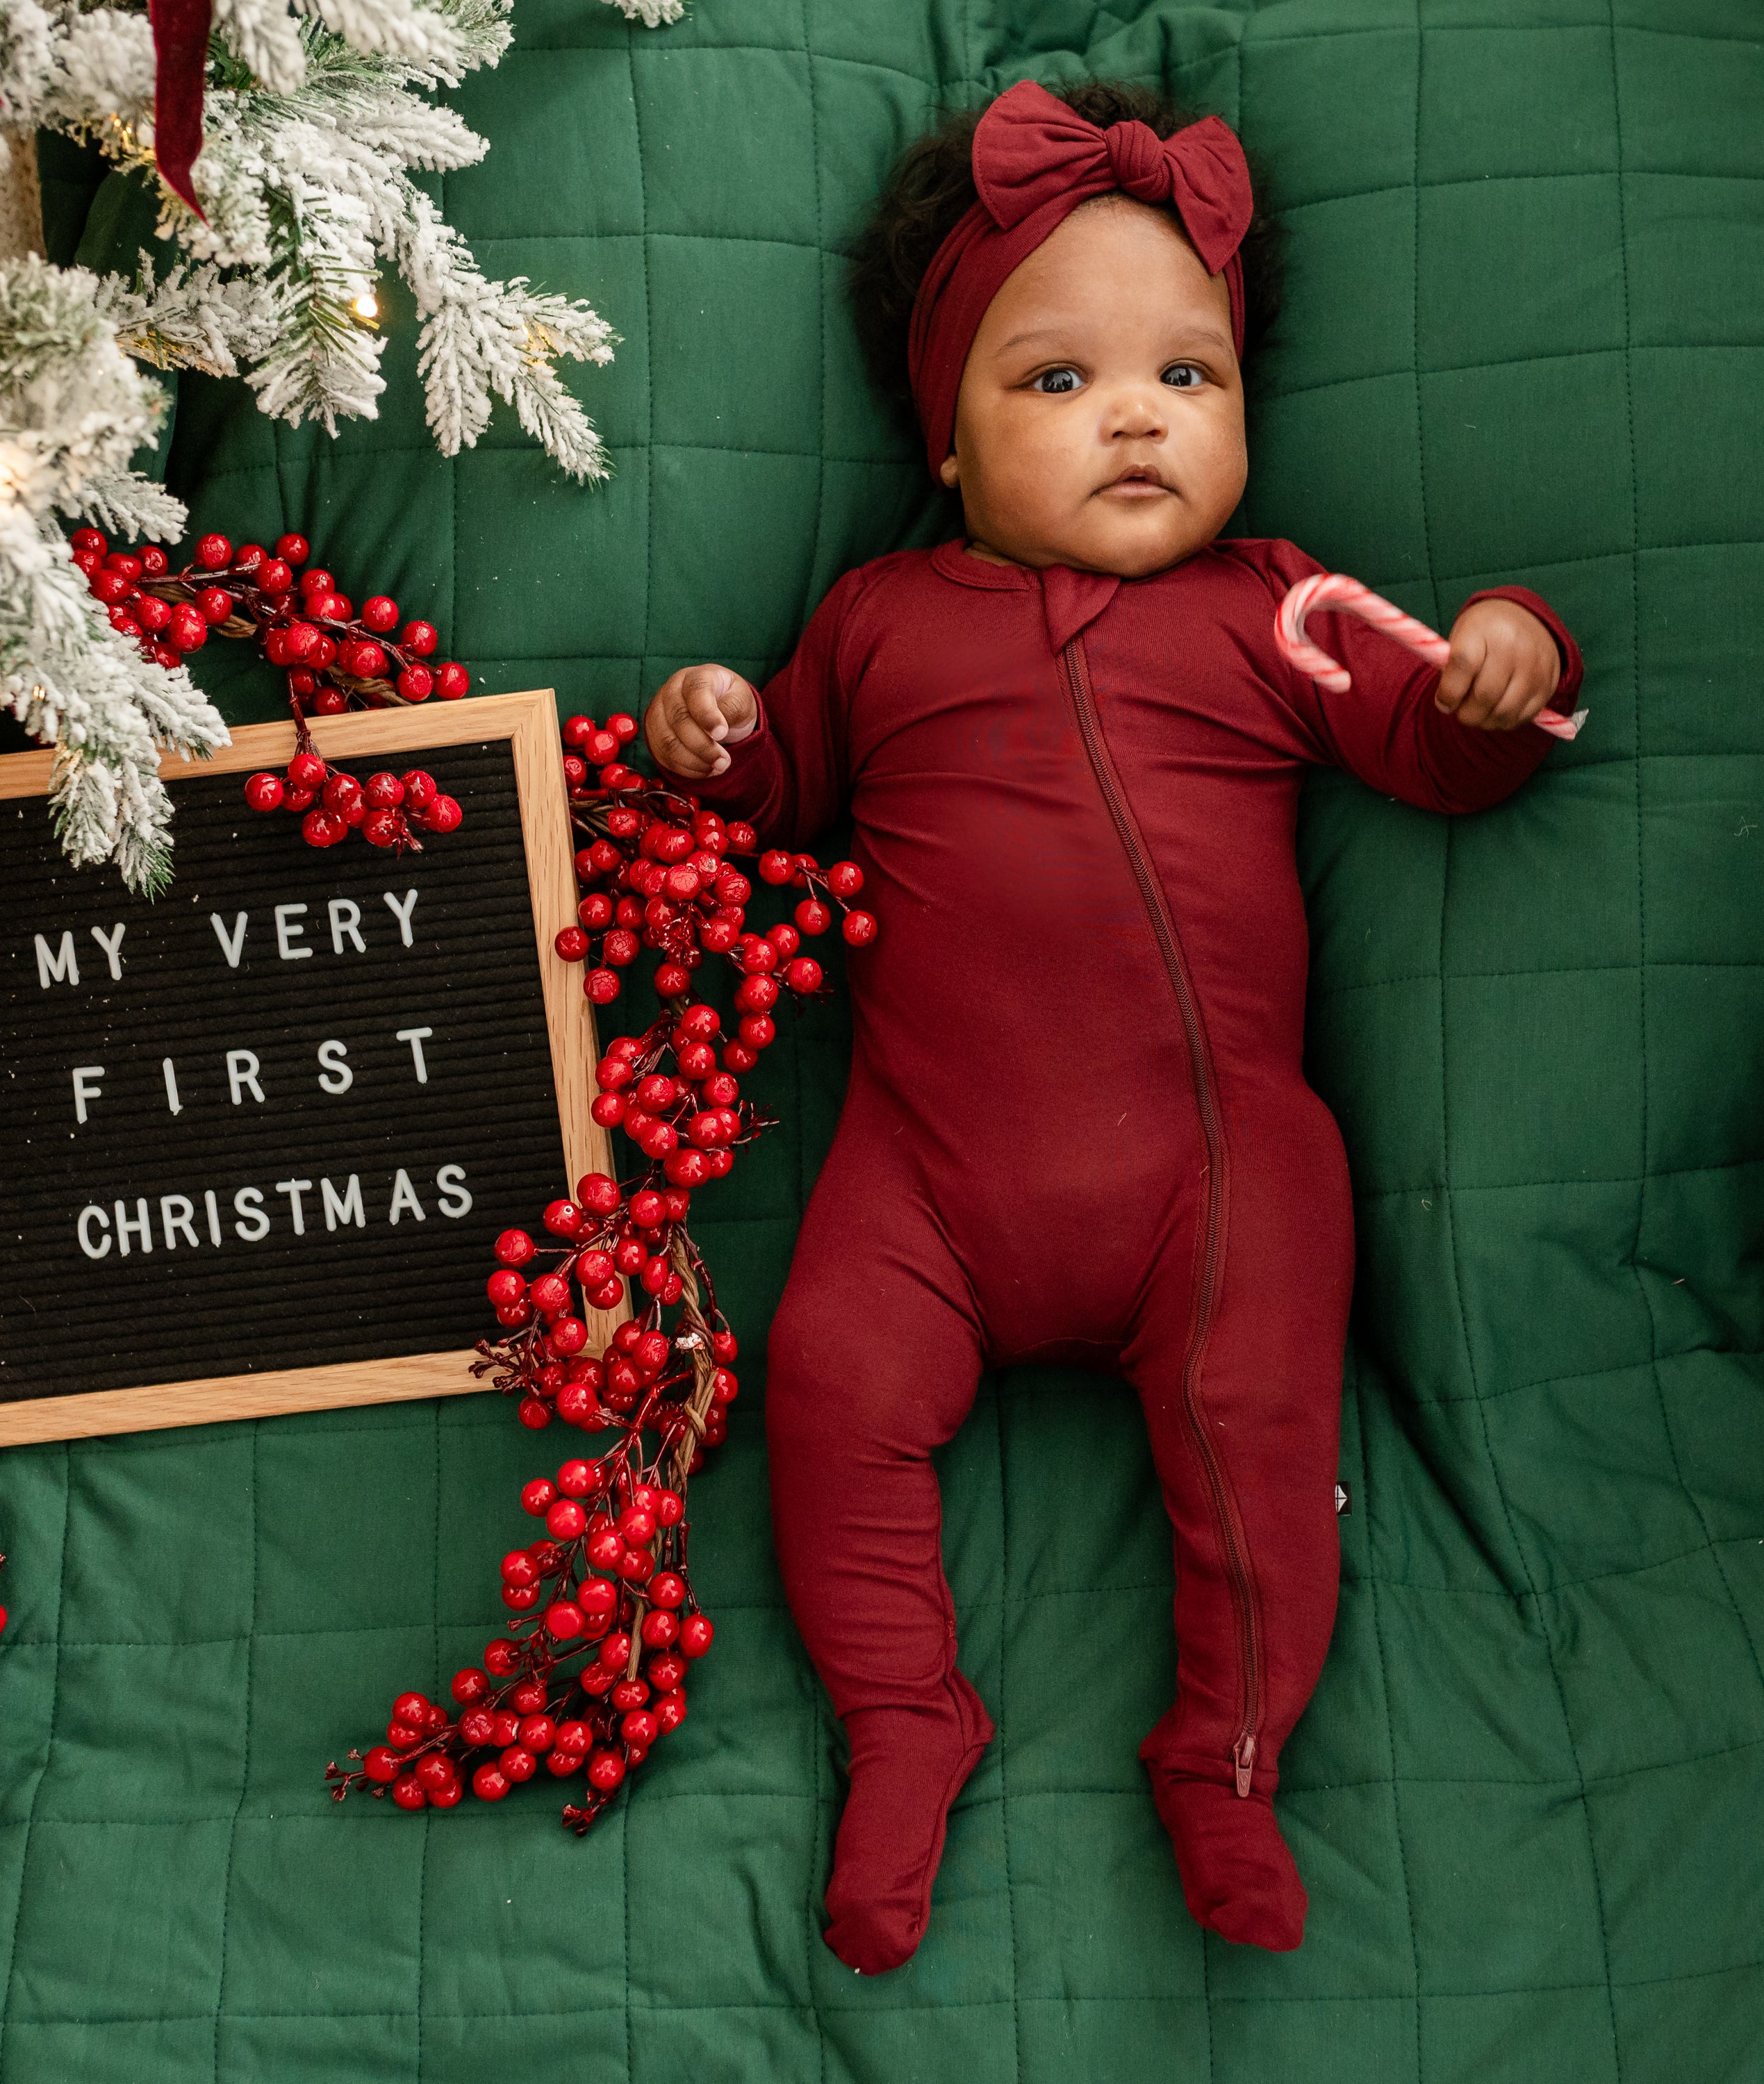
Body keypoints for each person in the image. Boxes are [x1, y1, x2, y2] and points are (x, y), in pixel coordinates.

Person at [640, 79, 1583, 1971]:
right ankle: (908, 1716)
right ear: (951, 440)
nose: (1139, 413)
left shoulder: (1275, 607)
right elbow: (778, 787)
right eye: (1055, 381)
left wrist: (1509, 658)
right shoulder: (883, 618)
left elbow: (1446, 750)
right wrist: (713, 730)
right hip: (930, 1173)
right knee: (827, 1390)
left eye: (1191, 378)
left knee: (1256, 1432)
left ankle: (1223, 1759)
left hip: (1209, 1163)